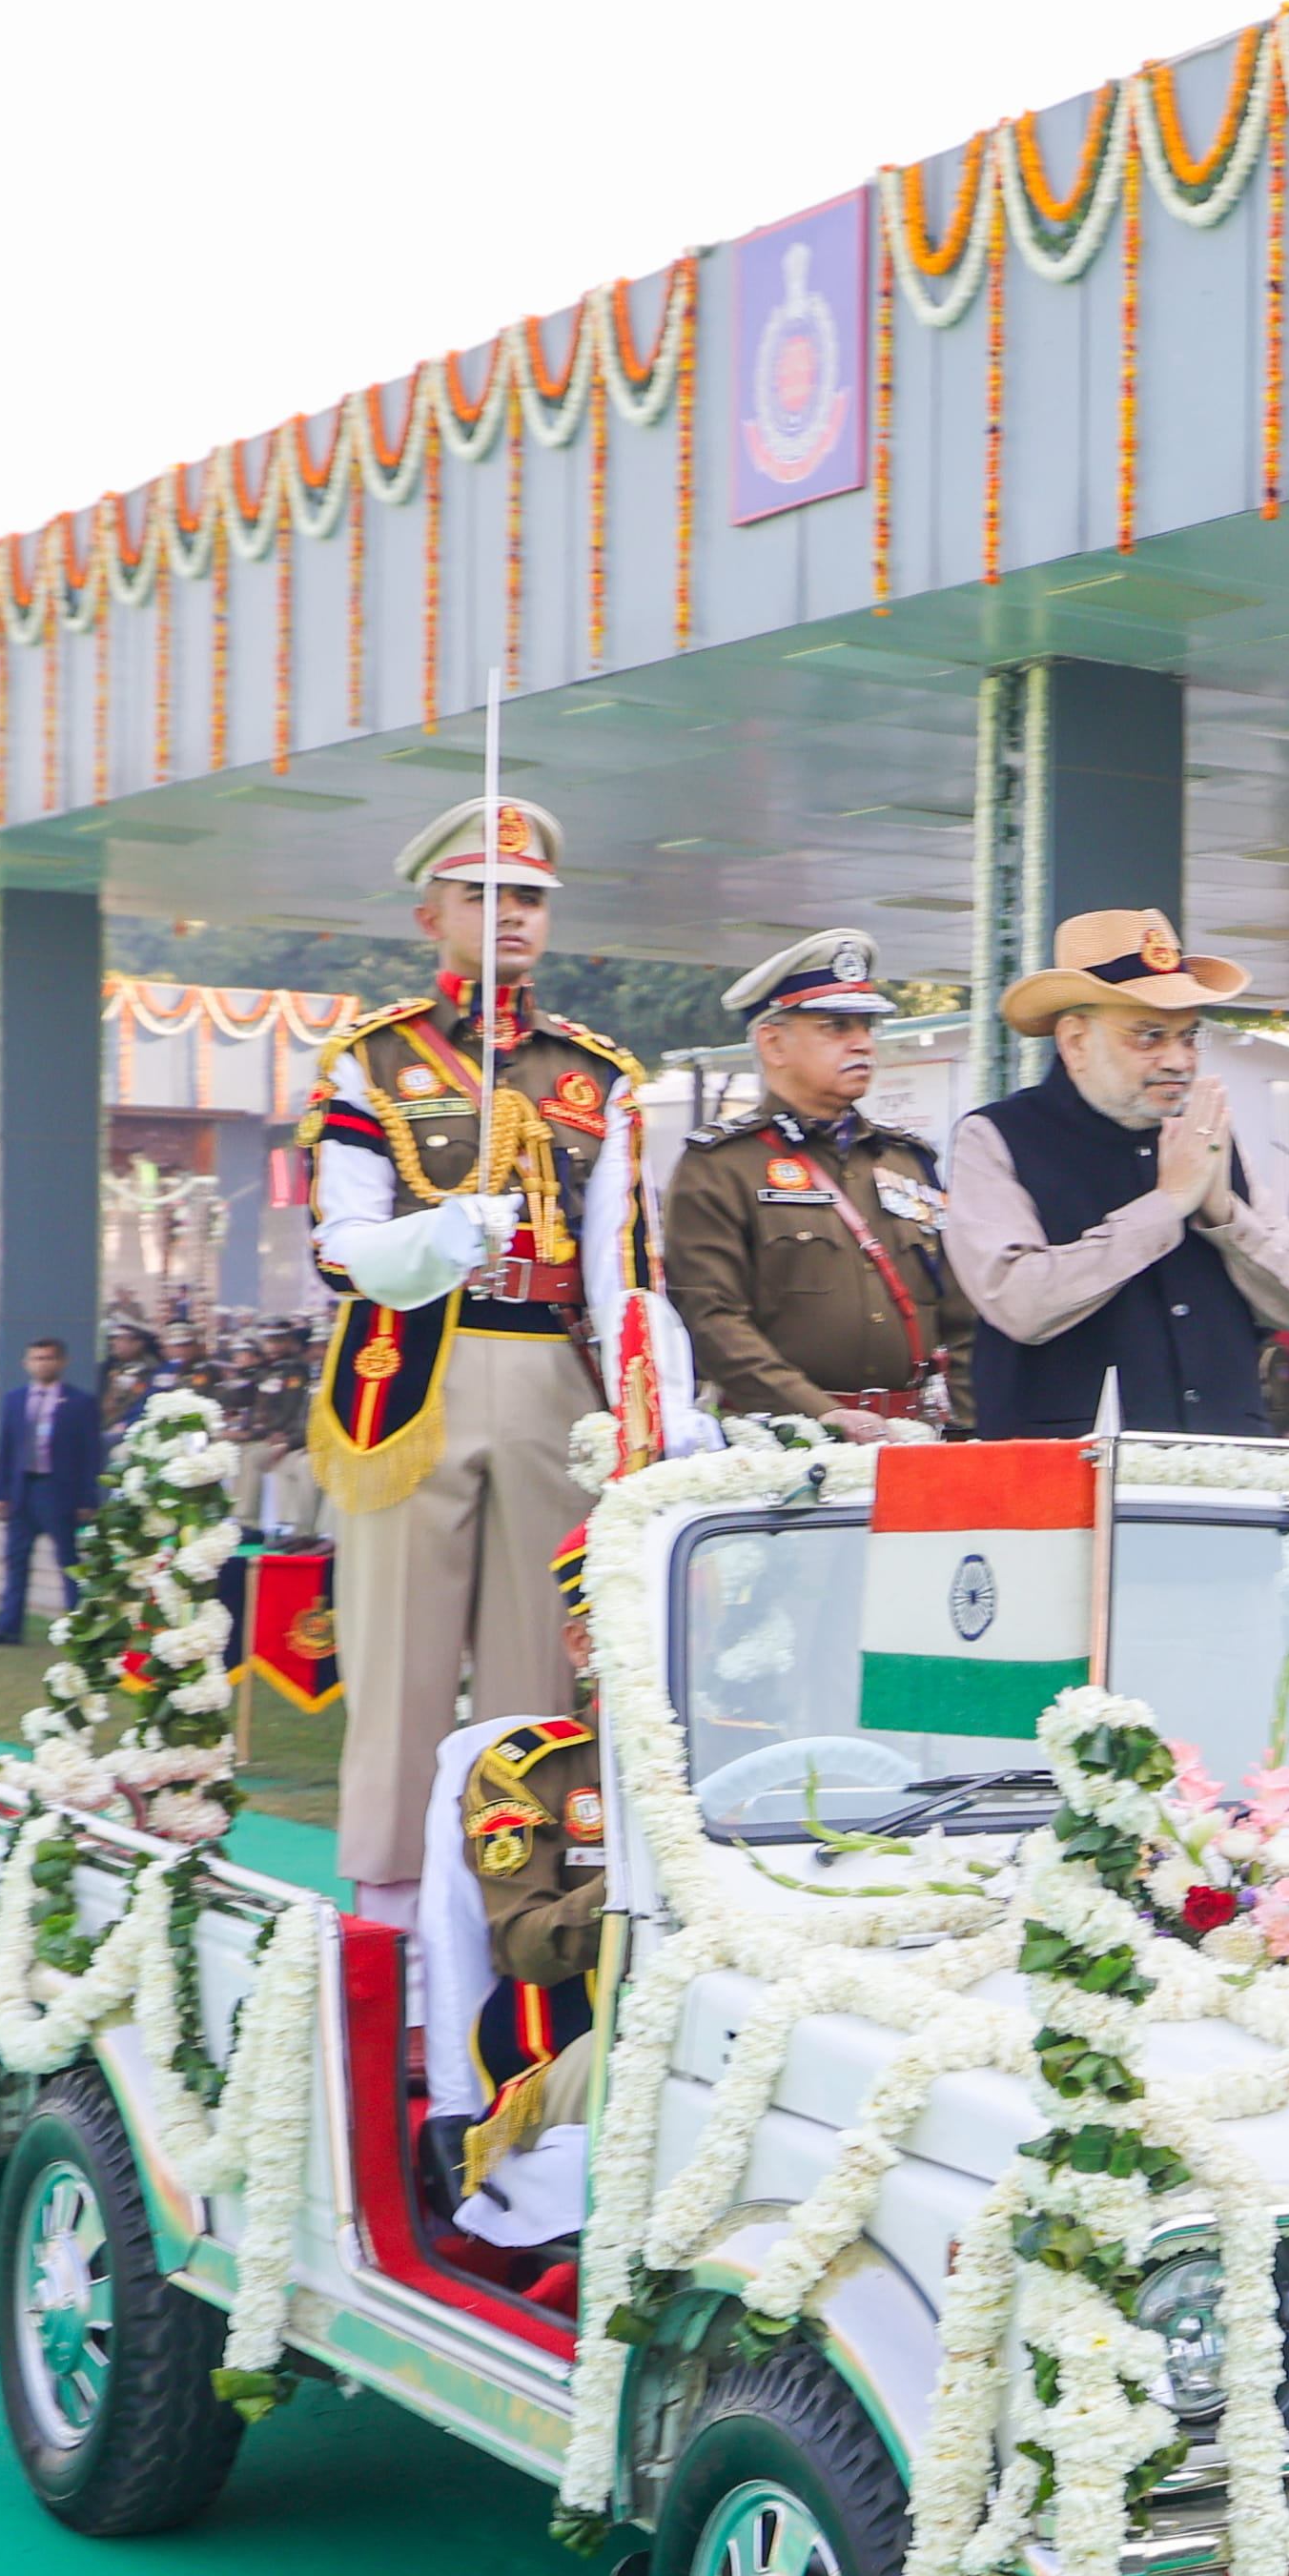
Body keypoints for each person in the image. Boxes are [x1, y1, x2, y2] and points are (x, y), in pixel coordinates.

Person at [299, 801, 645, 1903]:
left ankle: (518, 1914)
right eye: (484, 895)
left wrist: (649, 1402)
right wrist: (438, 1237)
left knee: (536, 1671)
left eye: (530, 898)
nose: (511, 918)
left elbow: (619, 1262)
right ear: (430, 912)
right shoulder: (370, 1060)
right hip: (411, 1380)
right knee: (397, 1665)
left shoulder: (596, 1075)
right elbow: (342, 1243)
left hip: (551, 1374)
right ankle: (390, 1919)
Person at [941, 909, 1289, 1462]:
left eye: (1189, 1037)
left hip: (1226, 1482)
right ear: (1075, 1041)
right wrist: (1166, 1206)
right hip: (1068, 1486)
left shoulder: (1208, 1133)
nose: (1177, 1060)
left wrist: (1223, 1215)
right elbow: (1020, 1302)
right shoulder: (997, 1136)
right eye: (1148, 1037)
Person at [659, 930, 965, 1440]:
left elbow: (961, 1310)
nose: (863, 1042)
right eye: (836, 1027)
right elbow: (711, 1319)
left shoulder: (907, 1160)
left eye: (867, 1026)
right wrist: (818, 1413)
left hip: (914, 1438)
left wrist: (964, 1424)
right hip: (781, 1443)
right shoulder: (722, 1165)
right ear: (773, 1043)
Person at [0, 1334, 104, 1643]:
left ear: (62, 1362)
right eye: (37, 1358)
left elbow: (91, 1454)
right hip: (22, 1489)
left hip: (58, 1489)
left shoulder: (80, 1402)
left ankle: (80, 1627)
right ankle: (8, 1627)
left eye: (49, 1358)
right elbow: (4, 1448)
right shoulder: (14, 1400)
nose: (42, 1364)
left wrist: (87, 1498)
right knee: (16, 1560)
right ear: (26, 1363)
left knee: (68, 1560)